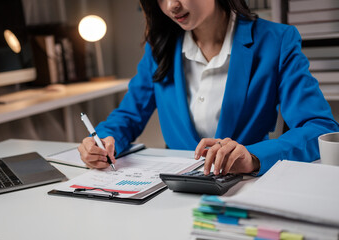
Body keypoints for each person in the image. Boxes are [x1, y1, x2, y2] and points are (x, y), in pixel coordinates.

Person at [78, 0, 339, 176]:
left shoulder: (276, 40)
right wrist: (103, 140)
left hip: (246, 187)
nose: (171, 6)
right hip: (171, 189)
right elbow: (128, 116)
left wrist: (253, 156)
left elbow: (320, 128)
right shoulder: (160, 48)